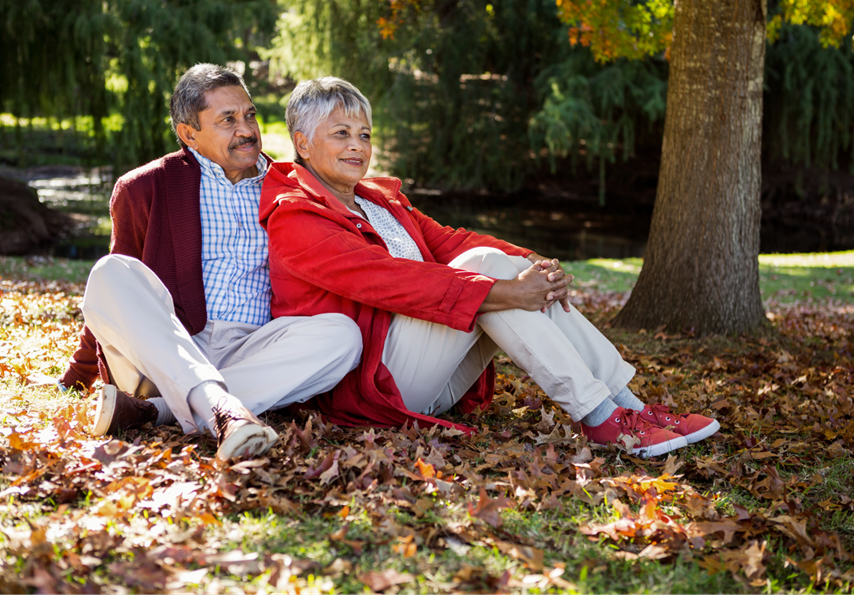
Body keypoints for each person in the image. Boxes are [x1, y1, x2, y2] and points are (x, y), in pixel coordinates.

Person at [258, 77, 720, 458]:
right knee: (487, 272)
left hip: (430, 373)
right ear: (302, 142)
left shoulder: (380, 201)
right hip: (374, 386)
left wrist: (532, 263)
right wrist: (503, 290)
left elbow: (451, 241)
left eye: (364, 134)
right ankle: (602, 419)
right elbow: (388, 281)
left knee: (498, 264)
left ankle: (628, 408)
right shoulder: (296, 214)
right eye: (341, 133)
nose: (358, 146)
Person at [58, 65, 362, 461]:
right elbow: (120, 297)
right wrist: (75, 376)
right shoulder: (144, 188)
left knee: (343, 336)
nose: (247, 129)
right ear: (190, 135)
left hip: (254, 350)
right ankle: (220, 409)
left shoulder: (292, 186)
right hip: (166, 347)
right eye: (227, 120)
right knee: (110, 273)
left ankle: (162, 411)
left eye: (250, 115)